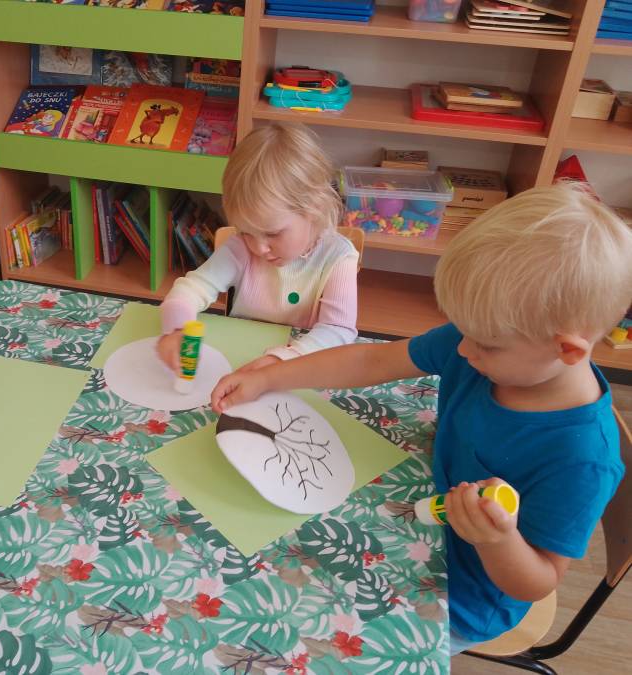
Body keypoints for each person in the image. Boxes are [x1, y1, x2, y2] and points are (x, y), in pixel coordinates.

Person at [211, 184, 632, 653]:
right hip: (418, 509)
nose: (463, 349)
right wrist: (271, 377)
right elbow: (372, 361)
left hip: (462, 596)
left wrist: (496, 540)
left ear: (567, 350)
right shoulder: (484, 340)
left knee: (310, 641)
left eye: (484, 344)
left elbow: (536, 581)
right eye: (463, 331)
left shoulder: (582, 459)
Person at [158, 122, 358, 374]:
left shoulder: (338, 257)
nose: (259, 247)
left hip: (298, 367)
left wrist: (281, 361)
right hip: (237, 362)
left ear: (314, 209)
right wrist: (177, 328)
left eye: (272, 233)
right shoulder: (241, 247)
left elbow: (338, 330)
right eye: (247, 231)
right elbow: (191, 289)